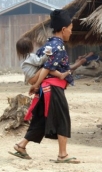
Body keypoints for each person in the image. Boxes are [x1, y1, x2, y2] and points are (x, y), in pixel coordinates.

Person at [8, 9, 80, 164]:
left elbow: (42, 67)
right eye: (71, 29)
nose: (71, 33)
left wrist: (37, 85)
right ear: (63, 29)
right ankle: (62, 154)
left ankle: (21, 146)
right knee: (62, 117)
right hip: (52, 88)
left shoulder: (47, 45)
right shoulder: (59, 47)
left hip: (44, 89)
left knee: (40, 119)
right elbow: (47, 68)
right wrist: (36, 84)